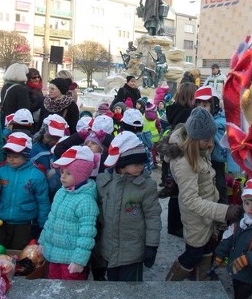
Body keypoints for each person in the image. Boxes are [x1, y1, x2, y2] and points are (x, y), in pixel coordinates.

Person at [161, 107, 241, 281]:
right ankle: (168, 286)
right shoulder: (185, 162)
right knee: (193, 254)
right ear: (193, 139)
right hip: (196, 217)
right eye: (206, 139)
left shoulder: (198, 150)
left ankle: (202, 283)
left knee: (207, 250)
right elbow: (190, 200)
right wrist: (224, 211)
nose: (211, 143)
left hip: (206, 213)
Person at [96, 132, 161, 282]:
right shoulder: (104, 181)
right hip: (109, 248)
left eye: (142, 163)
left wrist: (152, 245)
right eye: (136, 164)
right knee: (113, 287)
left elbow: (153, 216)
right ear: (122, 164)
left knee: (132, 291)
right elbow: (99, 212)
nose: (141, 167)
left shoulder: (146, 186)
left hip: (133, 251)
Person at [39, 146, 98, 281]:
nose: (63, 177)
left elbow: (87, 234)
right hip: (54, 253)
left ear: (81, 175)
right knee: (53, 285)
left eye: (69, 173)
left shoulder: (85, 201)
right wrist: (43, 241)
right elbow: (51, 219)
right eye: (62, 172)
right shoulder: (61, 192)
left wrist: (79, 260)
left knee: (71, 292)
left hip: (70, 259)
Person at [0, 132, 50, 250]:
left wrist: (42, 224)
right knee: (0, 251)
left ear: (25, 155)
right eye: (9, 156)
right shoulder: (1, 172)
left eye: (16, 156)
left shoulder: (36, 175)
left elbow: (43, 202)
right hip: (1, 222)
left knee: (19, 252)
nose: (11, 159)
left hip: (24, 224)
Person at [194, 86, 228, 204]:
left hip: (216, 160)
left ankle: (223, 213)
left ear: (214, 106)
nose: (201, 109)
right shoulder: (197, 120)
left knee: (219, 185)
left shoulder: (218, 122)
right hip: (202, 159)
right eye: (198, 105)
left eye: (205, 105)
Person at [0, 63, 30, 127]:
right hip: (16, 124)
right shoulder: (21, 89)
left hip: (5, 120)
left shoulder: (6, 86)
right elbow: (24, 110)